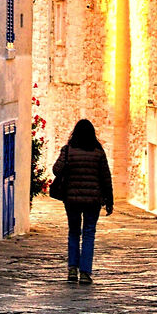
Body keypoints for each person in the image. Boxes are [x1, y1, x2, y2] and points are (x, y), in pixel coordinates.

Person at [50, 120, 114, 283]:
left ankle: (72, 269)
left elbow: (56, 170)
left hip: (71, 198)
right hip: (93, 199)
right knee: (89, 233)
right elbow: (106, 177)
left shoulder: (68, 150)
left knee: (73, 232)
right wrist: (109, 200)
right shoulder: (98, 153)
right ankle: (85, 272)